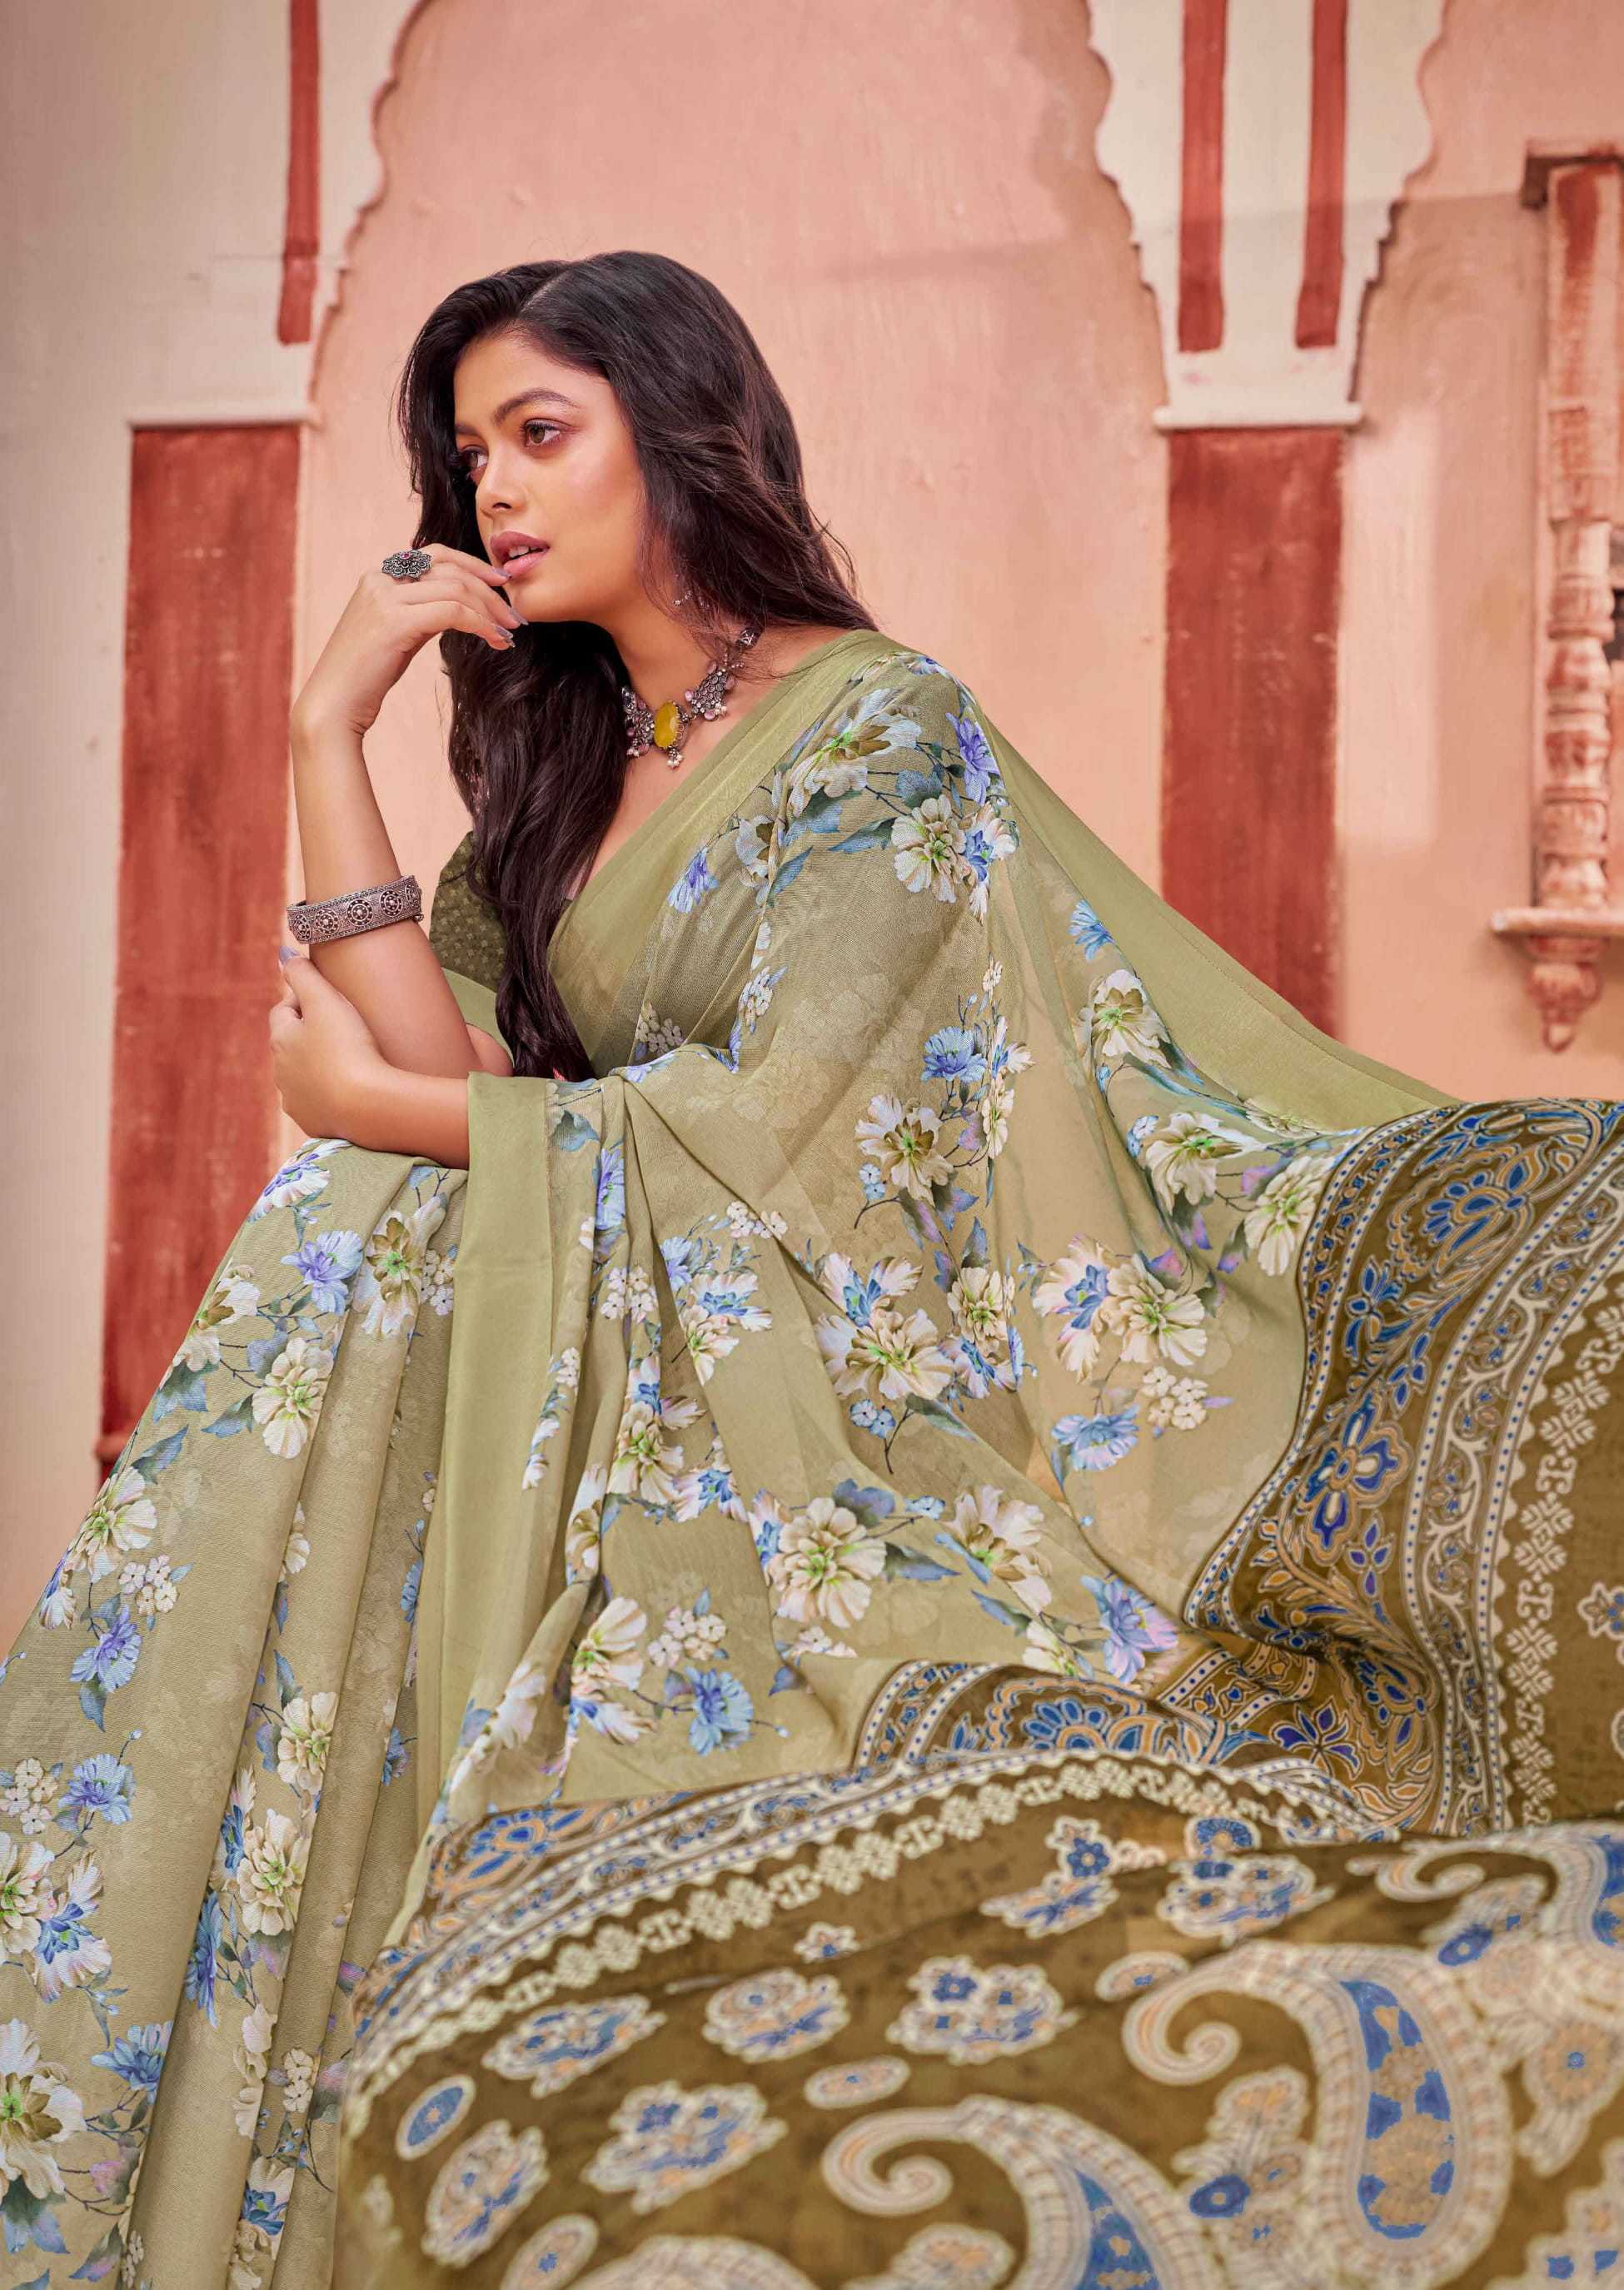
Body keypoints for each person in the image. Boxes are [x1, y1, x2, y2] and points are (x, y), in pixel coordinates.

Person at [3, 251, 1622, 2290]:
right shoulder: (577, 757)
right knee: (358, 1217)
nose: (494, 491)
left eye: (541, 431)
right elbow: (461, 1068)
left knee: (357, 1204)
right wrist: (330, 728)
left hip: (835, 1348)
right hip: (637, 1305)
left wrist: (373, 1113)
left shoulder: (878, 728)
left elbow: (785, 1133)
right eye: (471, 453)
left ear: (683, 428)